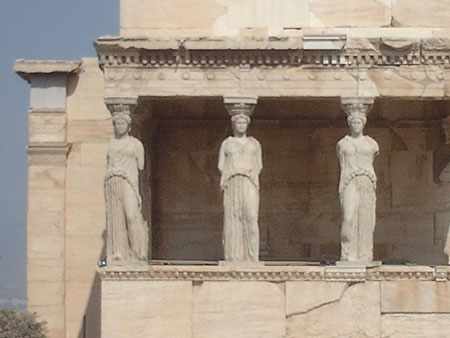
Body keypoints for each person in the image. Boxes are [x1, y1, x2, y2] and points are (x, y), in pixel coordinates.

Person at [218, 114, 262, 262]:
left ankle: (252, 257)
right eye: (238, 122)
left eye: (244, 122)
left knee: (251, 217)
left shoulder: (254, 144)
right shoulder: (227, 143)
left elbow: (259, 165)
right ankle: (233, 256)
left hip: (249, 181)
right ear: (233, 124)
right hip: (232, 182)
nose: (241, 125)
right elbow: (220, 165)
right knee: (232, 218)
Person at [104, 113, 148, 264]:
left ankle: (138, 252)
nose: (119, 126)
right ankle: (119, 253)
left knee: (131, 215)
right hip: (113, 180)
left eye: (122, 124)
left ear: (128, 126)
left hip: (129, 180)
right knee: (116, 217)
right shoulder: (111, 143)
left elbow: (141, 166)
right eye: (117, 124)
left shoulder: (136, 144)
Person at [336, 111, 379, 262]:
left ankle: (364, 255)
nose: (356, 125)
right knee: (348, 217)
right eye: (353, 122)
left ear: (364, 123)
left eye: (359, 122)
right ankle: (347, 254)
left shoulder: (372, 143)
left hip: (367, 181)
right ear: (349, 124)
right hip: (349, 181)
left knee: (367, 219)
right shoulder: (343, 143)